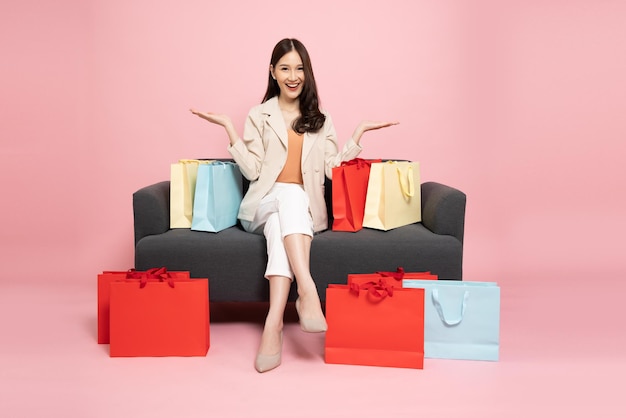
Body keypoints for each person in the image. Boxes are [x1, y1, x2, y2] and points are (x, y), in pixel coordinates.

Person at [190, 38, 398, 373]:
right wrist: (230, 129)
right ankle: (307, 289)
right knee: (289, 195)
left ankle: (272, 325)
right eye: (285, 67)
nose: (293, 75)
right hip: (263, 203)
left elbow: (332, 169)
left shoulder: (321, 117)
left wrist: (357, 136)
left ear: (307, 72)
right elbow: (254, 171)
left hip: (298, 211)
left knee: (282, 224)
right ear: (272, 72)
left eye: (299, 68)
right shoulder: (259, 115)